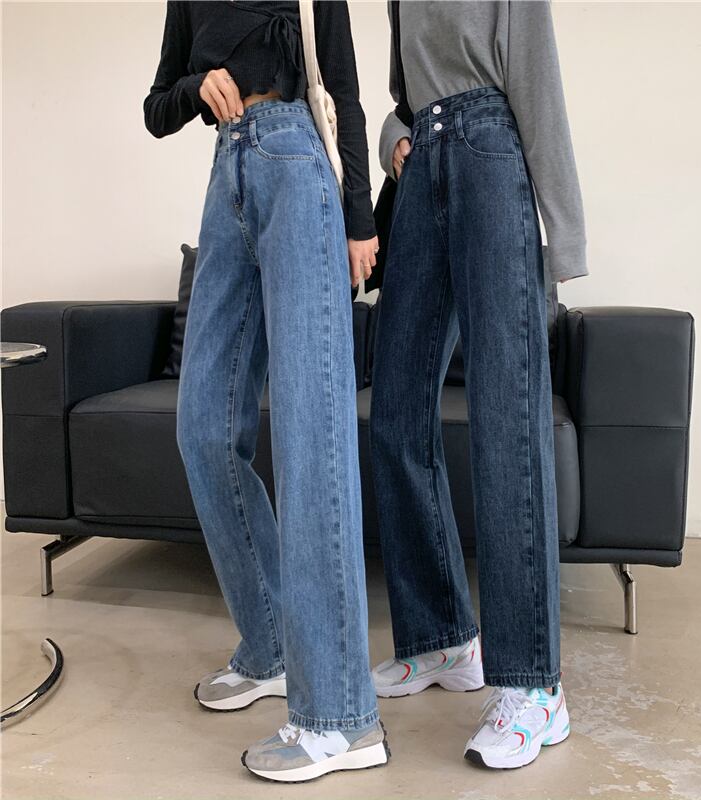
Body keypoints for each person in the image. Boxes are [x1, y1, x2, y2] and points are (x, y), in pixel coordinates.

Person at [143, 0, 387, 783]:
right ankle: (271, 645)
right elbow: (156, 106)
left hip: (299, 169)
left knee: (313, 437)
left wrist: (359, 220)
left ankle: (342, 718)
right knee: (203, 429)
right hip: (228, 176)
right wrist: (196, 89)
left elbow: (342, 90)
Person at [369, 0, 587, 770]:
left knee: (506, 419)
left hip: (491, 155)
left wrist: (564, 236)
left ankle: (535, 685)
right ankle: (441, 639)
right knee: (395, 413)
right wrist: (395, 140)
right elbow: (404, 97)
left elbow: (537, 82)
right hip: (422, 168)